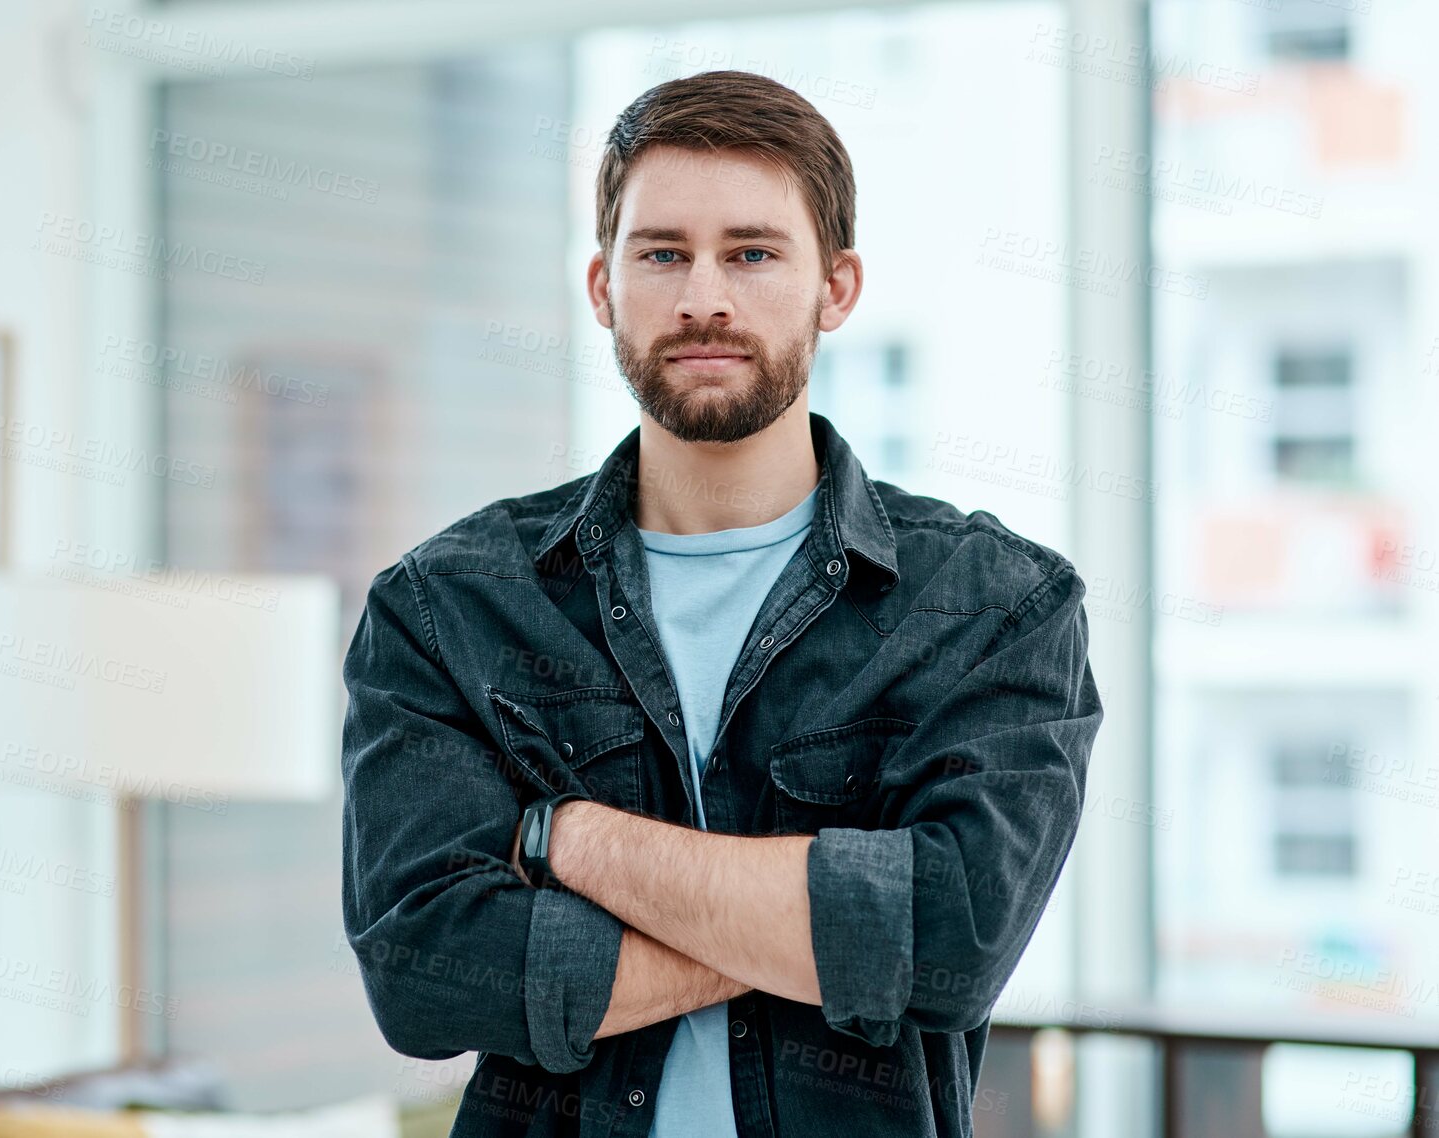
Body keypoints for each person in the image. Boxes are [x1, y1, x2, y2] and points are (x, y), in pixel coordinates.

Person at [340, 69, 1102, 1137]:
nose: (706, 294)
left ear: (837, 287)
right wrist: (825, 935)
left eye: (752, 251)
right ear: (602, 284)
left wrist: (566, 838)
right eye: (663, 254)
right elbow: (427, 979)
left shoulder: (993, 608)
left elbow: (949, 942)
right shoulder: (450, 609)